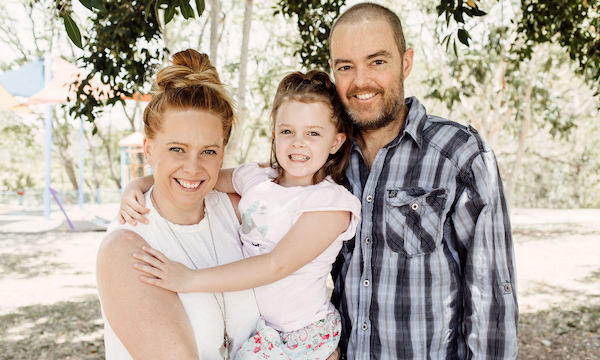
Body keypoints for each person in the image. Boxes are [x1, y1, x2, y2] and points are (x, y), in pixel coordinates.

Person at [120, 70, 361, 360]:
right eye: (287, 131)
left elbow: (275, 265)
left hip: (302, 332)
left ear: (335, 143)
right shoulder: (256, 179)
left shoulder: (330, 203)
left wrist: (188, 280)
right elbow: (198, 176)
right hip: (263, 330)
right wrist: (137, 184)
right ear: (274, 134)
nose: (298, 143)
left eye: (313, 133)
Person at [327, 3, 519, 359]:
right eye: (345, 67)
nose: (361, 80)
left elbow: (491, 295)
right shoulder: (325, 159)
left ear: (406, 62)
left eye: (377, 61)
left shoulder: (460, 154)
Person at [96, 49, 260, 360]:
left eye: (208, 152)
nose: (193, 168)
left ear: (222, 152)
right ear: (148, 149)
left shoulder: (238, 210)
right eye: (177, 149)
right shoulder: (127, 245)